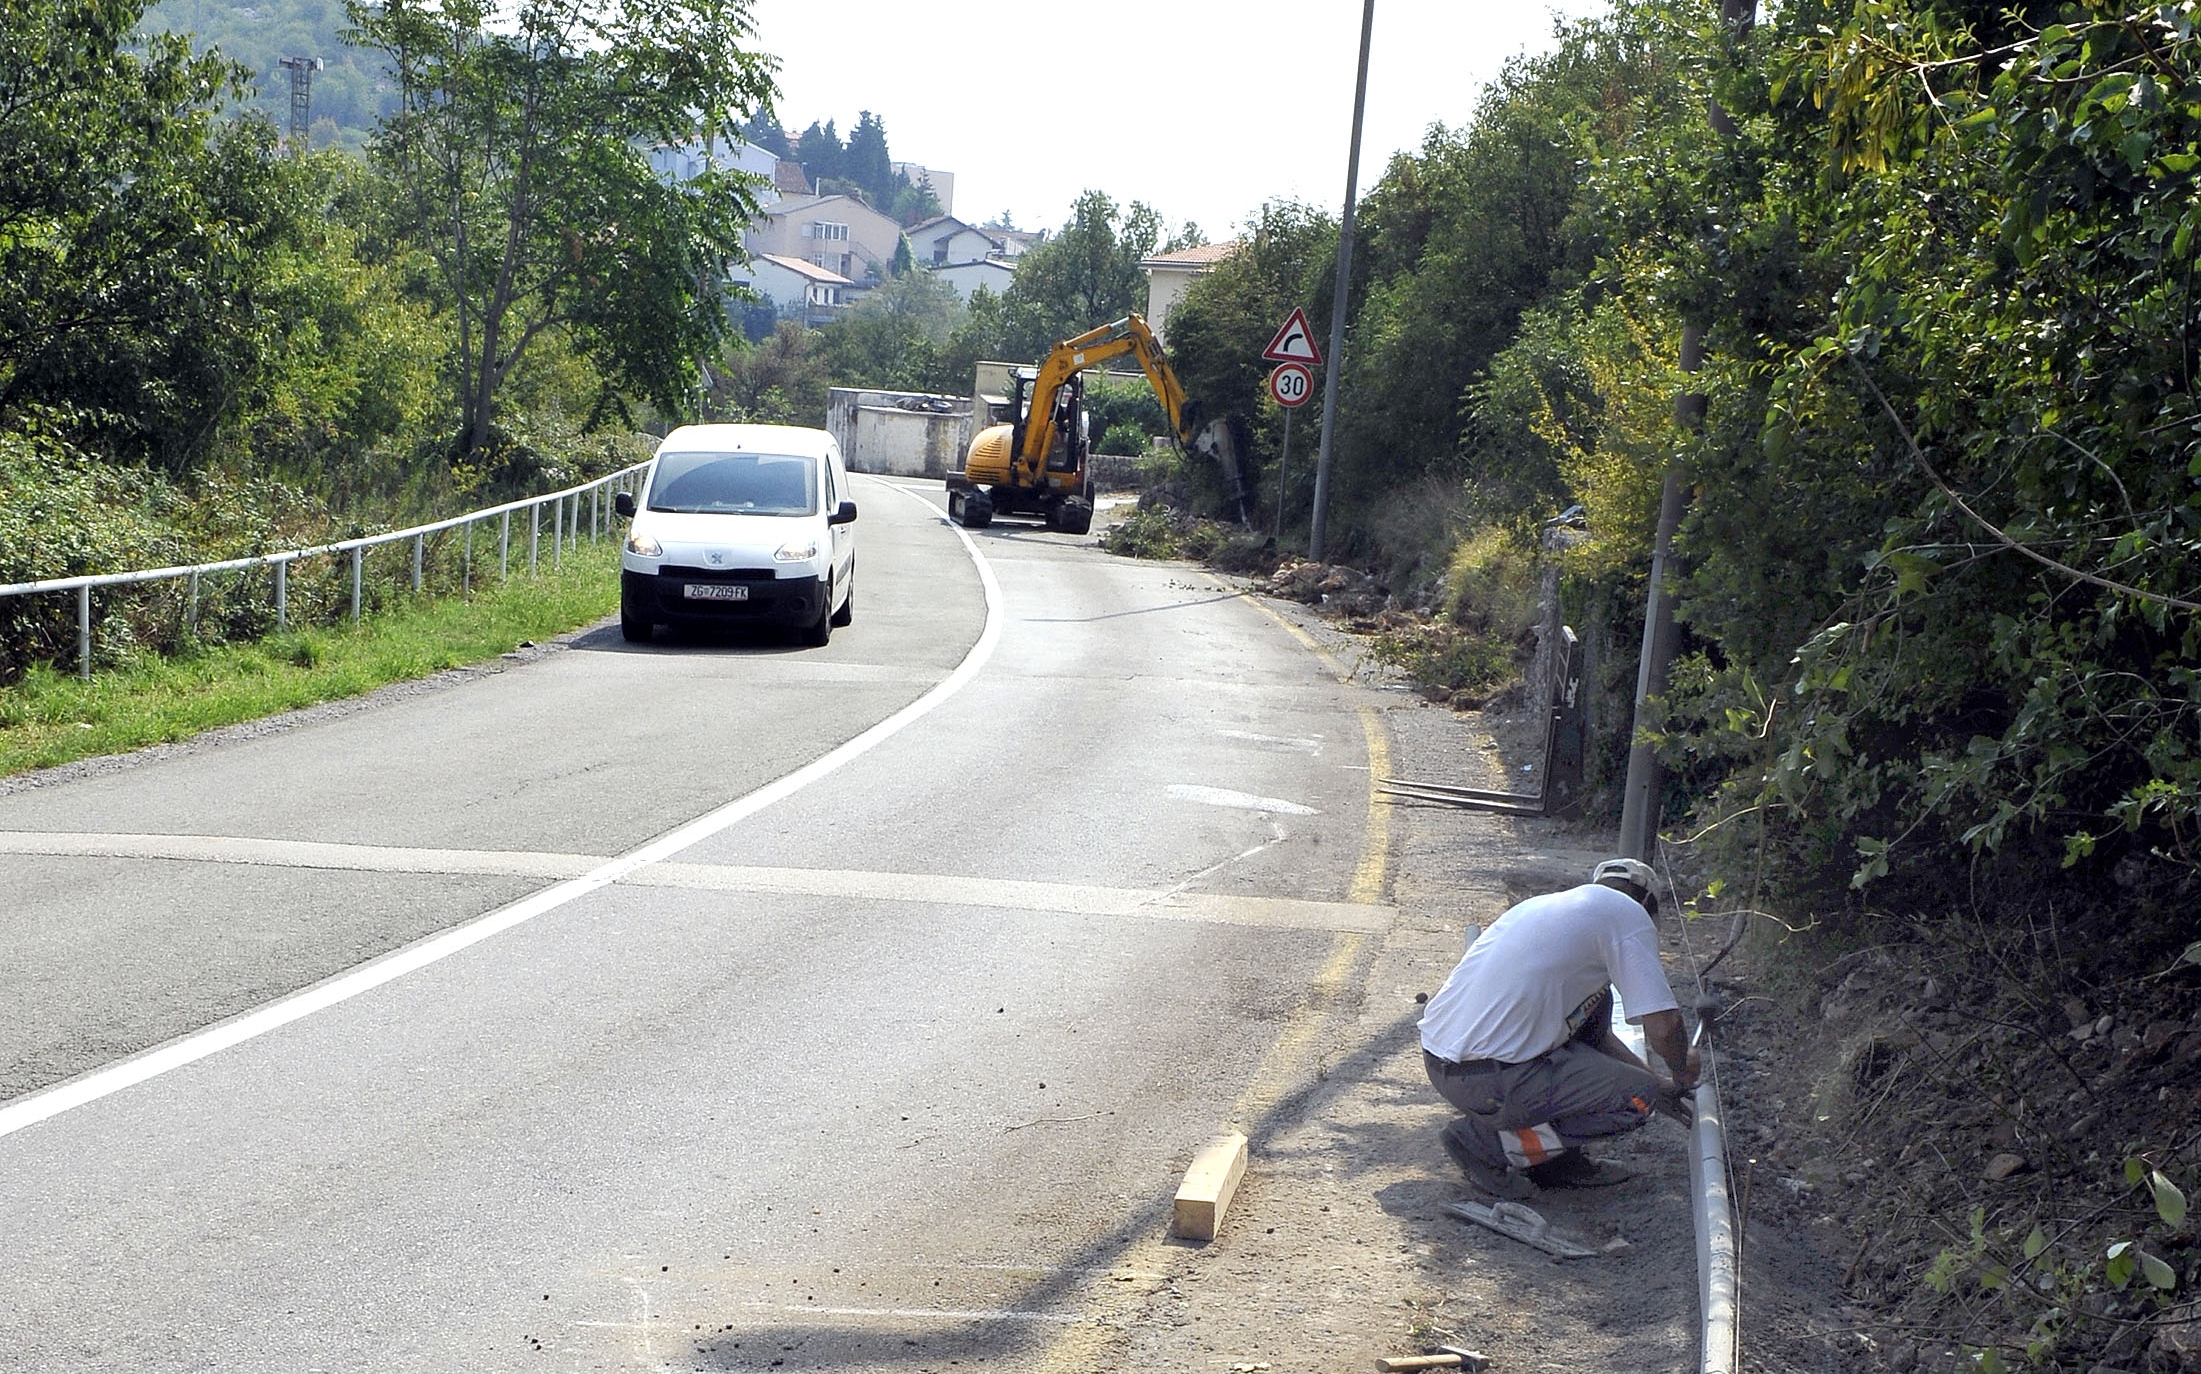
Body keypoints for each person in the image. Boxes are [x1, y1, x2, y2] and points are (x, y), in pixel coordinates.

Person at [1419, 857, 1699, 1200]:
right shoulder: (1628, 915)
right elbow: (1665, 1027)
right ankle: (1485, 1145)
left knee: (1630, 1073)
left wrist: (1660, 1083)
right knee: (1637, 1099)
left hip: (1444, 1063)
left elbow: (1596, 1040)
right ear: (1647, 906)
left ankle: (1550, 1159)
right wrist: (1680, 1070)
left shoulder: (1547, 910)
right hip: (1491, 1079)